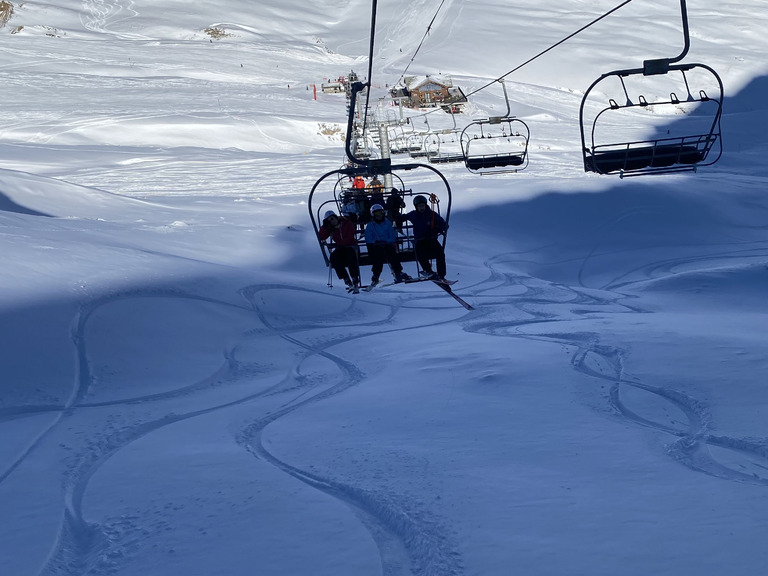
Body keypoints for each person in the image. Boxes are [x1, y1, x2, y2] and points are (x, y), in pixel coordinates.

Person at [400, 194, 448, 280]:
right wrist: (394, 216)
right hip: (420, 240)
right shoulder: (413, 215)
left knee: (440, 253)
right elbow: (403, 218)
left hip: (431, 239)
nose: (421, 208)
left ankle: (441, 274)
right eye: (419, 206)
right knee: (419, 252)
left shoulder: (432, 214)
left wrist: (439, 229)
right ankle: (428, 270)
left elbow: (443, 224)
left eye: (422, 206)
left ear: (426, 205)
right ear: (416, 207)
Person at [364, 204, 411, 286]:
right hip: (376, 246)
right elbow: (368, 237)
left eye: (380, 213)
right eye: (376, 214)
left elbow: (392, 235)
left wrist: (386, 241)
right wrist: (375, 242)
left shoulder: (387, 223)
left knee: (392, 254)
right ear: (373, 214)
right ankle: (376, 274)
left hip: (386, 244)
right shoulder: (370, 225)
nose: (379, 216)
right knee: (378, 257)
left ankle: (398, 272)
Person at [318, 210, 361, 291]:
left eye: (332, 218)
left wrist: (341, 244)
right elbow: (322, 237)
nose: (332, 221)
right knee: (333, 257)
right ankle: (346, 279)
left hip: (352, 247)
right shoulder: (331, 228)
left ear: (336, 217)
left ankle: (355, 278)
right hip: (341, 249)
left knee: (350, 256)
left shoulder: (346, 223)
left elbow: (350, 236)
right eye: (329, 220)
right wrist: (324, 227)